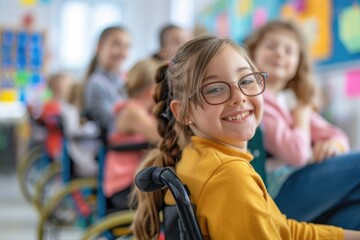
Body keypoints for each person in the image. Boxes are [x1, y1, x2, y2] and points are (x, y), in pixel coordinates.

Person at [132, 35, 360, 239]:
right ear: (183, 112)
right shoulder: (229, 176)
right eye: (214, 89)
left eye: (247, 80)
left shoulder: (203, 158)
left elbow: (283, 230)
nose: (239, 97)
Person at [245, 19, 360, 230]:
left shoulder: (290, 99)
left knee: (356, 216)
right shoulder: (254, 97)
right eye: (271, 46)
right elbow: (296, 153)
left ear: (299, 63)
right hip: (275, 194)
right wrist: (302, 116)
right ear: (252, 53)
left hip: (305, 192)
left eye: (289, 50)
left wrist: (332, 146)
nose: (280, 53)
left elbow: (337, 135)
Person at [104, 58, 161, 213]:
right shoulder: (133, 112)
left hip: (131, 182)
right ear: (152, 91)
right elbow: (160, 137)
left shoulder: (133, 109)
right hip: (124, 187)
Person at [81, 26, 131, 133]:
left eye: (127, 47)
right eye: (117, 45)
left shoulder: (123, 80)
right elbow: (109, 125)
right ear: (99, 46)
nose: (123, 52)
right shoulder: (97, 83)